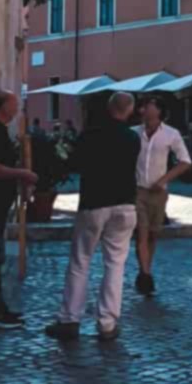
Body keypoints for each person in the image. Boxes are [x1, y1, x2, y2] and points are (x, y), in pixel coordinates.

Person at [45, 93, 141, 343]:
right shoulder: (133, 138)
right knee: (115, 264)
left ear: (108, 109)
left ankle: (69, 319)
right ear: (129, 111)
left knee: (80, 261)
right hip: (125, 204)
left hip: (94, 203)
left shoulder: (90, 136)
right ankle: (107, 323)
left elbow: (75, 163)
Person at [133, 94, 192, 297]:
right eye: (143, 107)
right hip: (137, 191)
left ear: (158, 110)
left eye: (148, 106)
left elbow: (185, 161)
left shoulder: (171, 134)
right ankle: (146, 275)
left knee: (152, 234)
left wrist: (164, 179)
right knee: (141, 231)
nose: (143, 110)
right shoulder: (134, 133)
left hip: (159, 193)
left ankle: (145, 272)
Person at [0, 91, 37, 327]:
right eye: (13, 103)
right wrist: (23, 174)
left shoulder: (0, 130)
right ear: (2, 106)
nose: (17, 106)